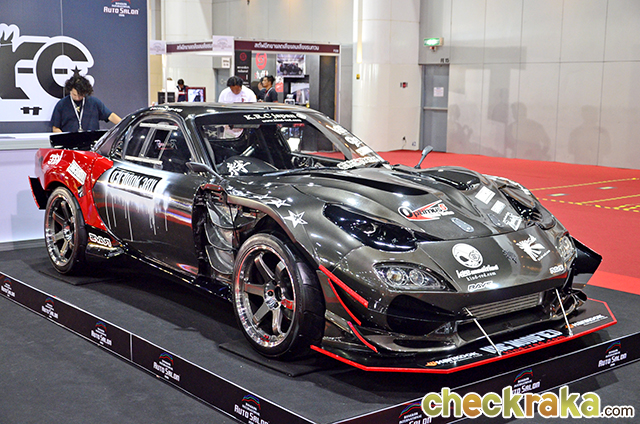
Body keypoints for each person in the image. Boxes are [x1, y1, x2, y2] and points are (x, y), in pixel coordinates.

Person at [51, 75, 121, 133]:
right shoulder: (62, 104)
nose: (77, 98)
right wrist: (64, 139)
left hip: (91, 141)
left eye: (81, 95)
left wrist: (125, 126)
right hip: (70, 142)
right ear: (70, 90)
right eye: (74, 95)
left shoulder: (94, 102)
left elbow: (110, 116)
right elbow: (55, 128)